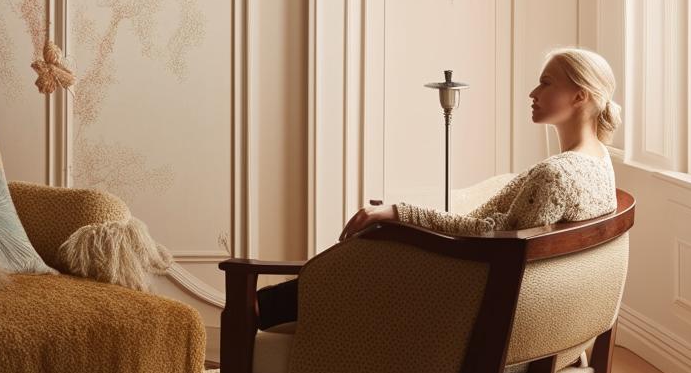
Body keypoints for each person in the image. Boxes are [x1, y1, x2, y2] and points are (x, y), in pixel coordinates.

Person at [256, 46, 622, 330]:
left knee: (374, 243)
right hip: (499, 294)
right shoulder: (599, 161)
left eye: (545, 82)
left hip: (469, 302)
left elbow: (491, 236)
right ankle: (276, 314)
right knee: (369, 251)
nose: (532, 92)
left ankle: (256, 319)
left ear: (580, 96)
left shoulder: (556, 176)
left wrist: (400, 213)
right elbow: (503, 225)